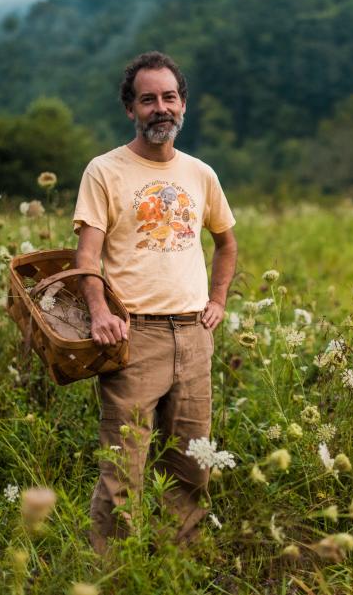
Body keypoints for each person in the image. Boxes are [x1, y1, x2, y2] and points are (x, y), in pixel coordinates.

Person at [72, 51, 237, 553]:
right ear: (131, 109)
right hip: (133, 336)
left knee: (190, 466)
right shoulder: (104, 171)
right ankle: (112, 573)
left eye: (169, 97)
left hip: (193, 335)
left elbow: (226, 242)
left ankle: (175, 569)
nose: (160, 108)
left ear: (183, 104)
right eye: (148, 100)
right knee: (124, 468)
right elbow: (86, 257)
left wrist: (218, 300)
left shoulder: (201, 174)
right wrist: (100, 313)